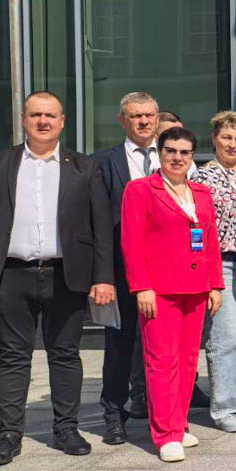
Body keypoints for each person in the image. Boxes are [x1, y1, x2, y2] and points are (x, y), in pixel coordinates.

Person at [0, 92, 114, 468]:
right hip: (10, 274)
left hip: (66, 274)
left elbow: (101, 227)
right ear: (24, 119)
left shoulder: (85, 167)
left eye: (50, 115)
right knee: (13, 357)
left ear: (62, 121)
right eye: (36, 115)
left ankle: (66, 429)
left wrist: (104, 277)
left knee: (65, 354)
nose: (43, 121)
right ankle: (9, 434)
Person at [121, 126, 224, 462]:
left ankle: (178, 425)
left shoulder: (200, 192)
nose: (177, 158)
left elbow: (210, 241)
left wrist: (215, 284)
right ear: (160, 153)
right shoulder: (141, 190)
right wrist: (142, 287)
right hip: (159, 290)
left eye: (184, 152)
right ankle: (165, 434)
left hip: (196, 288)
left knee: (187, 362)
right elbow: (132, 242)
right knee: (162, 361)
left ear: (192, 156)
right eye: (171, 151)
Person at [92, 91, 160, 444]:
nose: (144, 121)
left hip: (165, 270)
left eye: (149, 115)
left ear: (158, 118)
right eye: (136, 116)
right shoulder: (104, 162)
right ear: (123, 120)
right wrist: (102, 275)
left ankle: (161, 412)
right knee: (119, 345)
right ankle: (114, 414)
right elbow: (99, 224)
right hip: (121, 270)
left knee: (161, 345)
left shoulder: (174, 156)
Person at [194, 112, 236, 433]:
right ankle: (225, 408)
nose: (232, 144)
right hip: (221, 265)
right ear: (214, 139)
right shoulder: (202, 177)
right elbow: (195, 227)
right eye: (226, 138)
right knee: (228, 339)